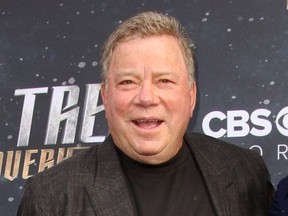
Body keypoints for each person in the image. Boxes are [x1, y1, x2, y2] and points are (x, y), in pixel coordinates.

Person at [17, 11, 274, 216]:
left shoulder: (245, 172)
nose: (147, 98)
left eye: (164, 80)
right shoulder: (51, 198)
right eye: (128, 82)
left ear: (191, 95)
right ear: (105, 97)